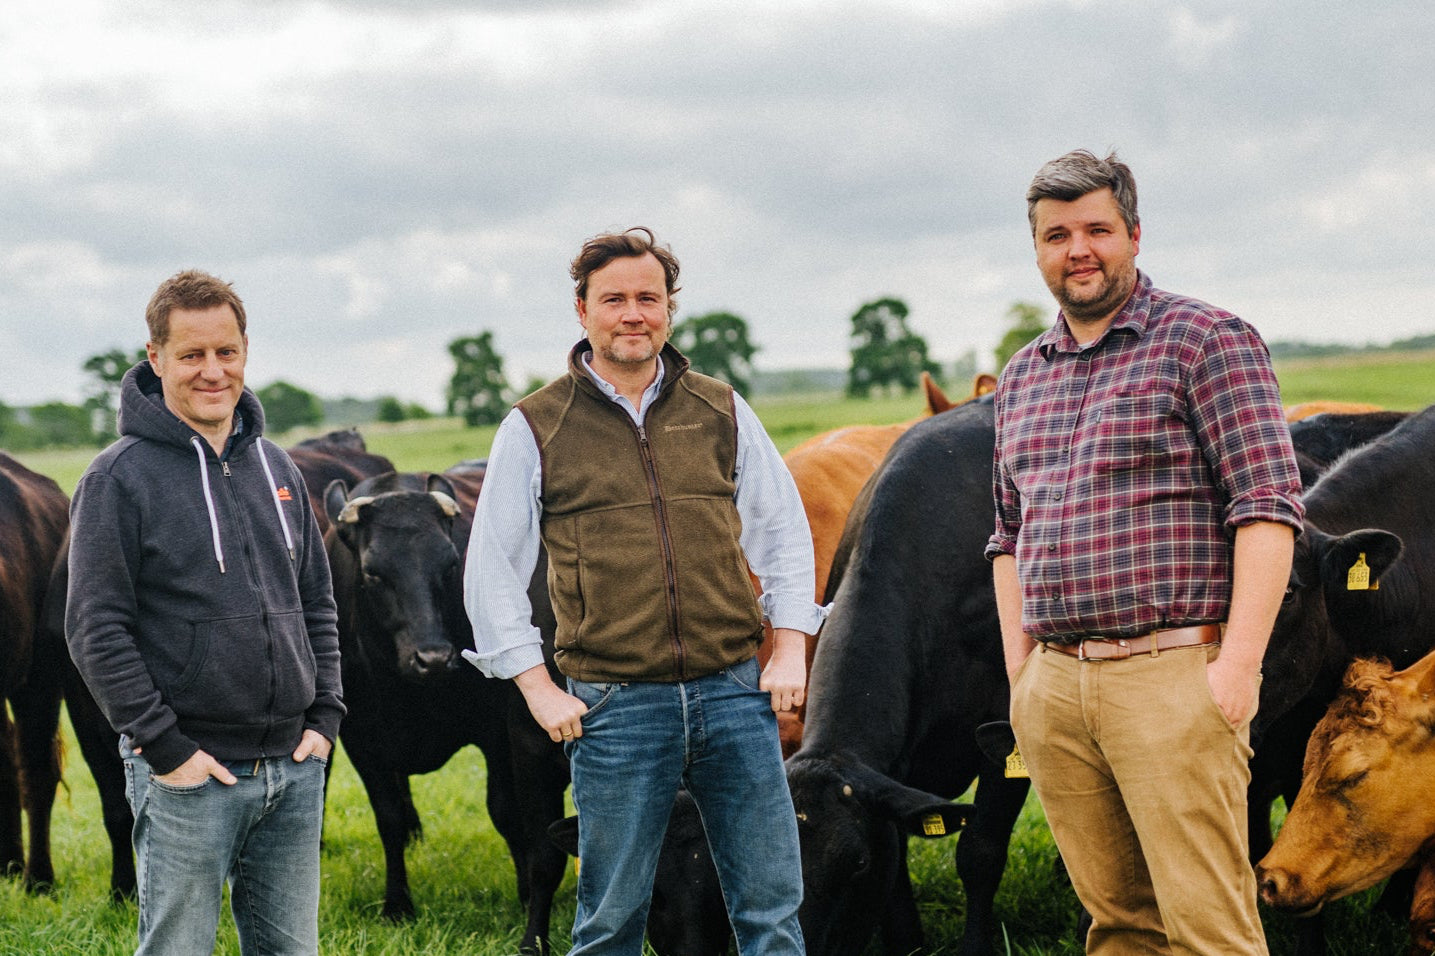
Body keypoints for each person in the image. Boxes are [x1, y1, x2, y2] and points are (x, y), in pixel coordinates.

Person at [462, 226, 822, 956]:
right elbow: (492, 569)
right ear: (582, 310)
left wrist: (787, 647)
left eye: (648, 298)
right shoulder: (536, 424)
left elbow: (781, 529)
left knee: (771, 910)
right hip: (615, 706)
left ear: (669, 308)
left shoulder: (718, 407)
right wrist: (536, 688)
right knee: (610, 920)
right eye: (614, 299)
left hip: (733, 693)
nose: (633, 313)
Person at [986, 150, 1304, 954]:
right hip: (1056, 682)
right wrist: (1023, 677)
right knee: (1119, 924)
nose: (1078, 249)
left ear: (1133, 233)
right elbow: (1005, 535)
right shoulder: (1022, 374)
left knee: (1207, 927)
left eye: (1097, 228)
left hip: (1171, 675)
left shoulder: (1207, 340)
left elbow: (1266, 509)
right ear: (1036, 251)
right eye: (1056, 234)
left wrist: (1234, 671)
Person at [66, 269, 344, 956]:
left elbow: (316, 602)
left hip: (293, 767)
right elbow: (95, 627)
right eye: (191, 355)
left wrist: (325, 718)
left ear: (245, 351)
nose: (212, 371)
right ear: (156, 358)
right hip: (190, 776)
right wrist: (167, 749)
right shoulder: (117, 478)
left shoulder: (277, 468)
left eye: (226, 352)